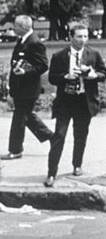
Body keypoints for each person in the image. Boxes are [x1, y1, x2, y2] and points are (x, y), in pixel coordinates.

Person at [44, 23, 106, 187]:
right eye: (79, 36)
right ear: (71, 37)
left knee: (81, 136)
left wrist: (93, 75)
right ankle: (51, 173)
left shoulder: (93, 54)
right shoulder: (59, 56)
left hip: (83, 101)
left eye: (85, 36)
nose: (83, 40)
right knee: (59, 136)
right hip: (66, 101)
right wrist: (66, 76)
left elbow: (103, 73)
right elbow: (52, 78)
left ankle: (77, 165)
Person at [4, 14, 52, 159]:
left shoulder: (34, 42)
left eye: (16, 25)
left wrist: (26, 71)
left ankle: (15, 149)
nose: (14, 28)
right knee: (26, 116)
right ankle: (54, 138)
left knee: (20, 117)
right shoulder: (22, 41)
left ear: (23, 27)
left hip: (28, 89)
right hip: (20, 87)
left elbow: (43, 65)